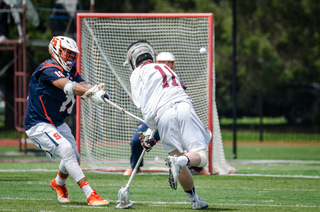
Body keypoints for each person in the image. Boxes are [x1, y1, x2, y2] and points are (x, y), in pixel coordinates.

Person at [24, 36, 109, 206]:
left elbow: (80, 82)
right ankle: (90, 194)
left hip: (56, 121)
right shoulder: (48, 68)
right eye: (68, 53)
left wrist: (92, 89)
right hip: (38, 123)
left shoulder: (70, 68)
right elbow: (67, 85)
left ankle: (58, 183)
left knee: (74, 156)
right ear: (57, 50)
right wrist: (88, 93)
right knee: (66, 149)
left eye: (73, 54)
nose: (71, 57)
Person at [126, 40, 211, 210]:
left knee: (176, 156)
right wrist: (150, 132)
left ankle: (194, 199)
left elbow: (147, 108)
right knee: (200, 157)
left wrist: (148, 134)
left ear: (133, 60)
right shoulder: (167, 69)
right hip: (183, 107)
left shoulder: (136, 74)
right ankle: (193, 197)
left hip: (163, 116)